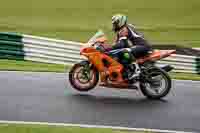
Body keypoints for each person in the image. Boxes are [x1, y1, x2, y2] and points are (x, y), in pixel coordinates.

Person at [110, 14, 152, 80]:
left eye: (115, 23)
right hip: (138, 46)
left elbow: (121, 44)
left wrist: (111, 47)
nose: (114, 25)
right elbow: (118, 43)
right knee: (122, 54)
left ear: (121, 22)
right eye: (114, 24)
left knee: (125, 51)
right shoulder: (123, 29)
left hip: (142, 46)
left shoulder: (124, 30)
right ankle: (128, 72)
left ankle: (136, 70)